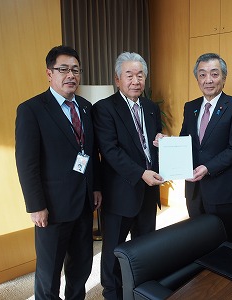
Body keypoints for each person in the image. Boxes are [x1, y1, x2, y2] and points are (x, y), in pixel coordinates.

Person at [15, 45, 102, 299]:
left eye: (75, 69)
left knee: (81, 267)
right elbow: (26, 162)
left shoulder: (86, 107)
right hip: (51, 209)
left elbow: (92, 152)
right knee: (49, 273)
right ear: (49, 73)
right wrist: (35, 205)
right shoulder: (31, 110)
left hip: (84, 204)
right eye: (63, 69)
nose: (70, 75)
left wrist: (95, 186)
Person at [92, 52, 164, 300]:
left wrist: (161, 144)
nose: (135, 81)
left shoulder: (151, 107)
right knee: (114, 249)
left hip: (148, 192)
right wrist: (141, 173)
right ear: (117, 79)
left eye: (140, 75)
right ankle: (112, 293)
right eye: (129, 75)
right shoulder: (104, 109)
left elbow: (151, 144)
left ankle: (138, 290)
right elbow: (110, 151)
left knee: (144, 247)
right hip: (120, 192)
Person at [179, 53, 232, 244]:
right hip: (194, 188)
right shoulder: (190, 107)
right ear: (197, 79)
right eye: (202, 74)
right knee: (198, 237)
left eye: (214, 74)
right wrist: (166, 142)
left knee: (224, 238)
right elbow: (185, 141)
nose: (208, 80)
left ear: (224, 78)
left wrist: (208, 167)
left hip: (221, 187)